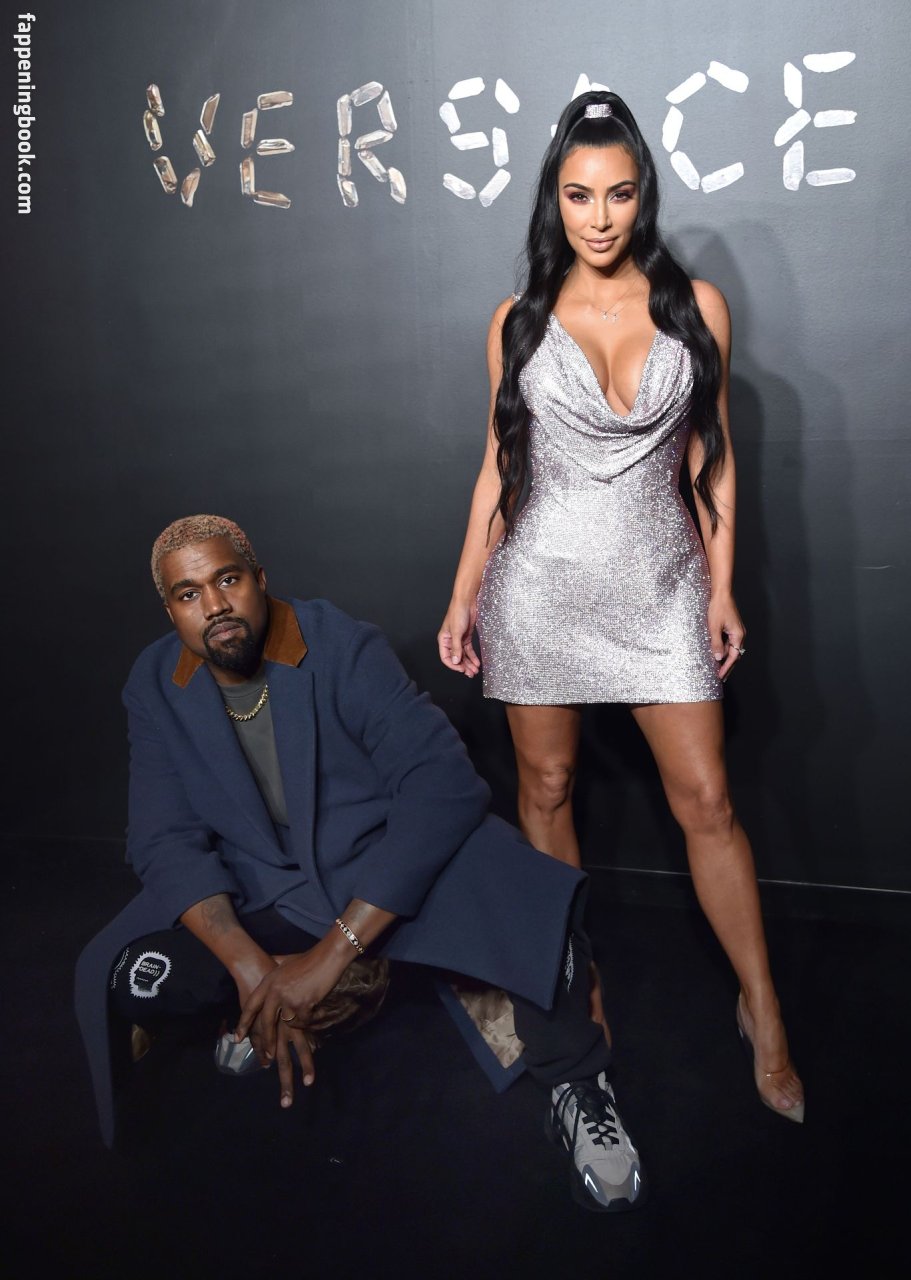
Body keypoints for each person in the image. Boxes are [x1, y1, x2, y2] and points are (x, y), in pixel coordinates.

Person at [75, 514, 646, 1213]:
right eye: (188, 594)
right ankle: (276, 1004)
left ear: (259, 579)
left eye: (227, 580)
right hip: (268, 885)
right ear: (171, 610)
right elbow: (162, 838)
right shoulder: (155, 681)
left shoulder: (339, 643)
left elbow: (442, 783)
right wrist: (253, 972)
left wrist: (331, 956)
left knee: (535, 901)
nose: (215, 606)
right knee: (136, 976)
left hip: (374, 866)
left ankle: (577, 1083)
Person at [437, 91, 804, 1123]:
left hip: (659, 587)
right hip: (540, 586)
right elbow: (499, 468)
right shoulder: (517, 321)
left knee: (707, 803)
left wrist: (720, 585)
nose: (597, 218)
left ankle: (762, 1006)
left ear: (643, 197)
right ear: (552, 200)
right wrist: (464, 594)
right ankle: (574, 983)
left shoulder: (696, 306)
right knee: (545, 790)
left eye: (617, 194)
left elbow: (712, 460)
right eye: (577, 195)